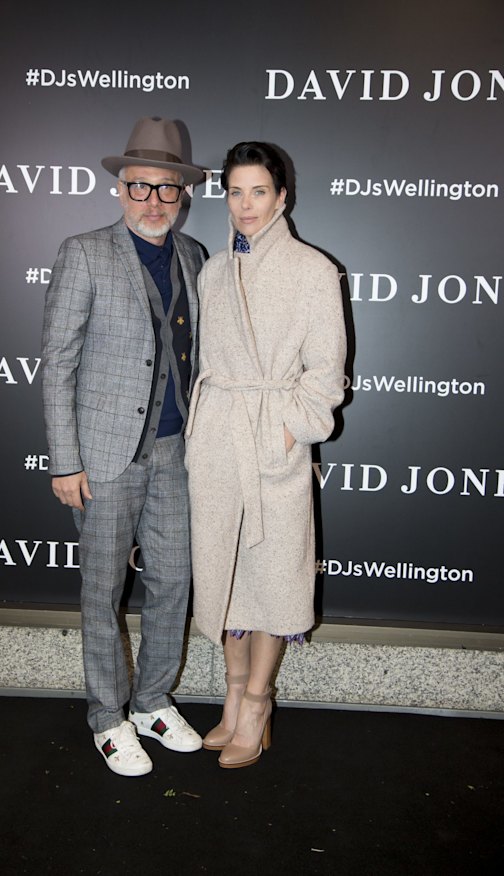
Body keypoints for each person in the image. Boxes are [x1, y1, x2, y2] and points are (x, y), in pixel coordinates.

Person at [41, 117, 206, 777]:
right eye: (140, 187)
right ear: (120, 189)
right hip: (103, 457)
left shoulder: (194, 256)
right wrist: (65, 459)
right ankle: (108, 717)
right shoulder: (83, 252)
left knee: (173, 582)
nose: (153, 202)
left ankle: (153, 701)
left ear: (183, 195)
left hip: (175, 454)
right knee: (103, 591)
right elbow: (58, 362)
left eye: (167, 190)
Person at [185, 142, 346, 769]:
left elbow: (327, 373)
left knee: (274, 579)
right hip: (219, 436)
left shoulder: (312, 269)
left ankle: (257, 705)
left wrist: (289, 430)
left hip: (272, 440)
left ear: (283, 197)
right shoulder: (213, 271)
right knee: (223, 575)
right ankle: (229, 701)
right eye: (235, 191)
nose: (246, 205)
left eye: (259, 191)